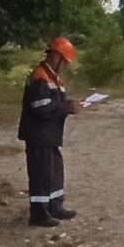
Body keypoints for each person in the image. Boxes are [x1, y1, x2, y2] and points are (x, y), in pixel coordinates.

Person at [17, 36, 81, 228]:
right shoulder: (40, 77)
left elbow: (55, 105)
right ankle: (39, 214)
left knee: (54, 172)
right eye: (65, 62)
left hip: (50, 135)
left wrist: (68, 106)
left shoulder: (54, 78)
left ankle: (55, 207)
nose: (65, 66)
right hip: (38, 135)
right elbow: (40, 106)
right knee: (41, 174)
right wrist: (66, 108)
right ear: (56, 57)